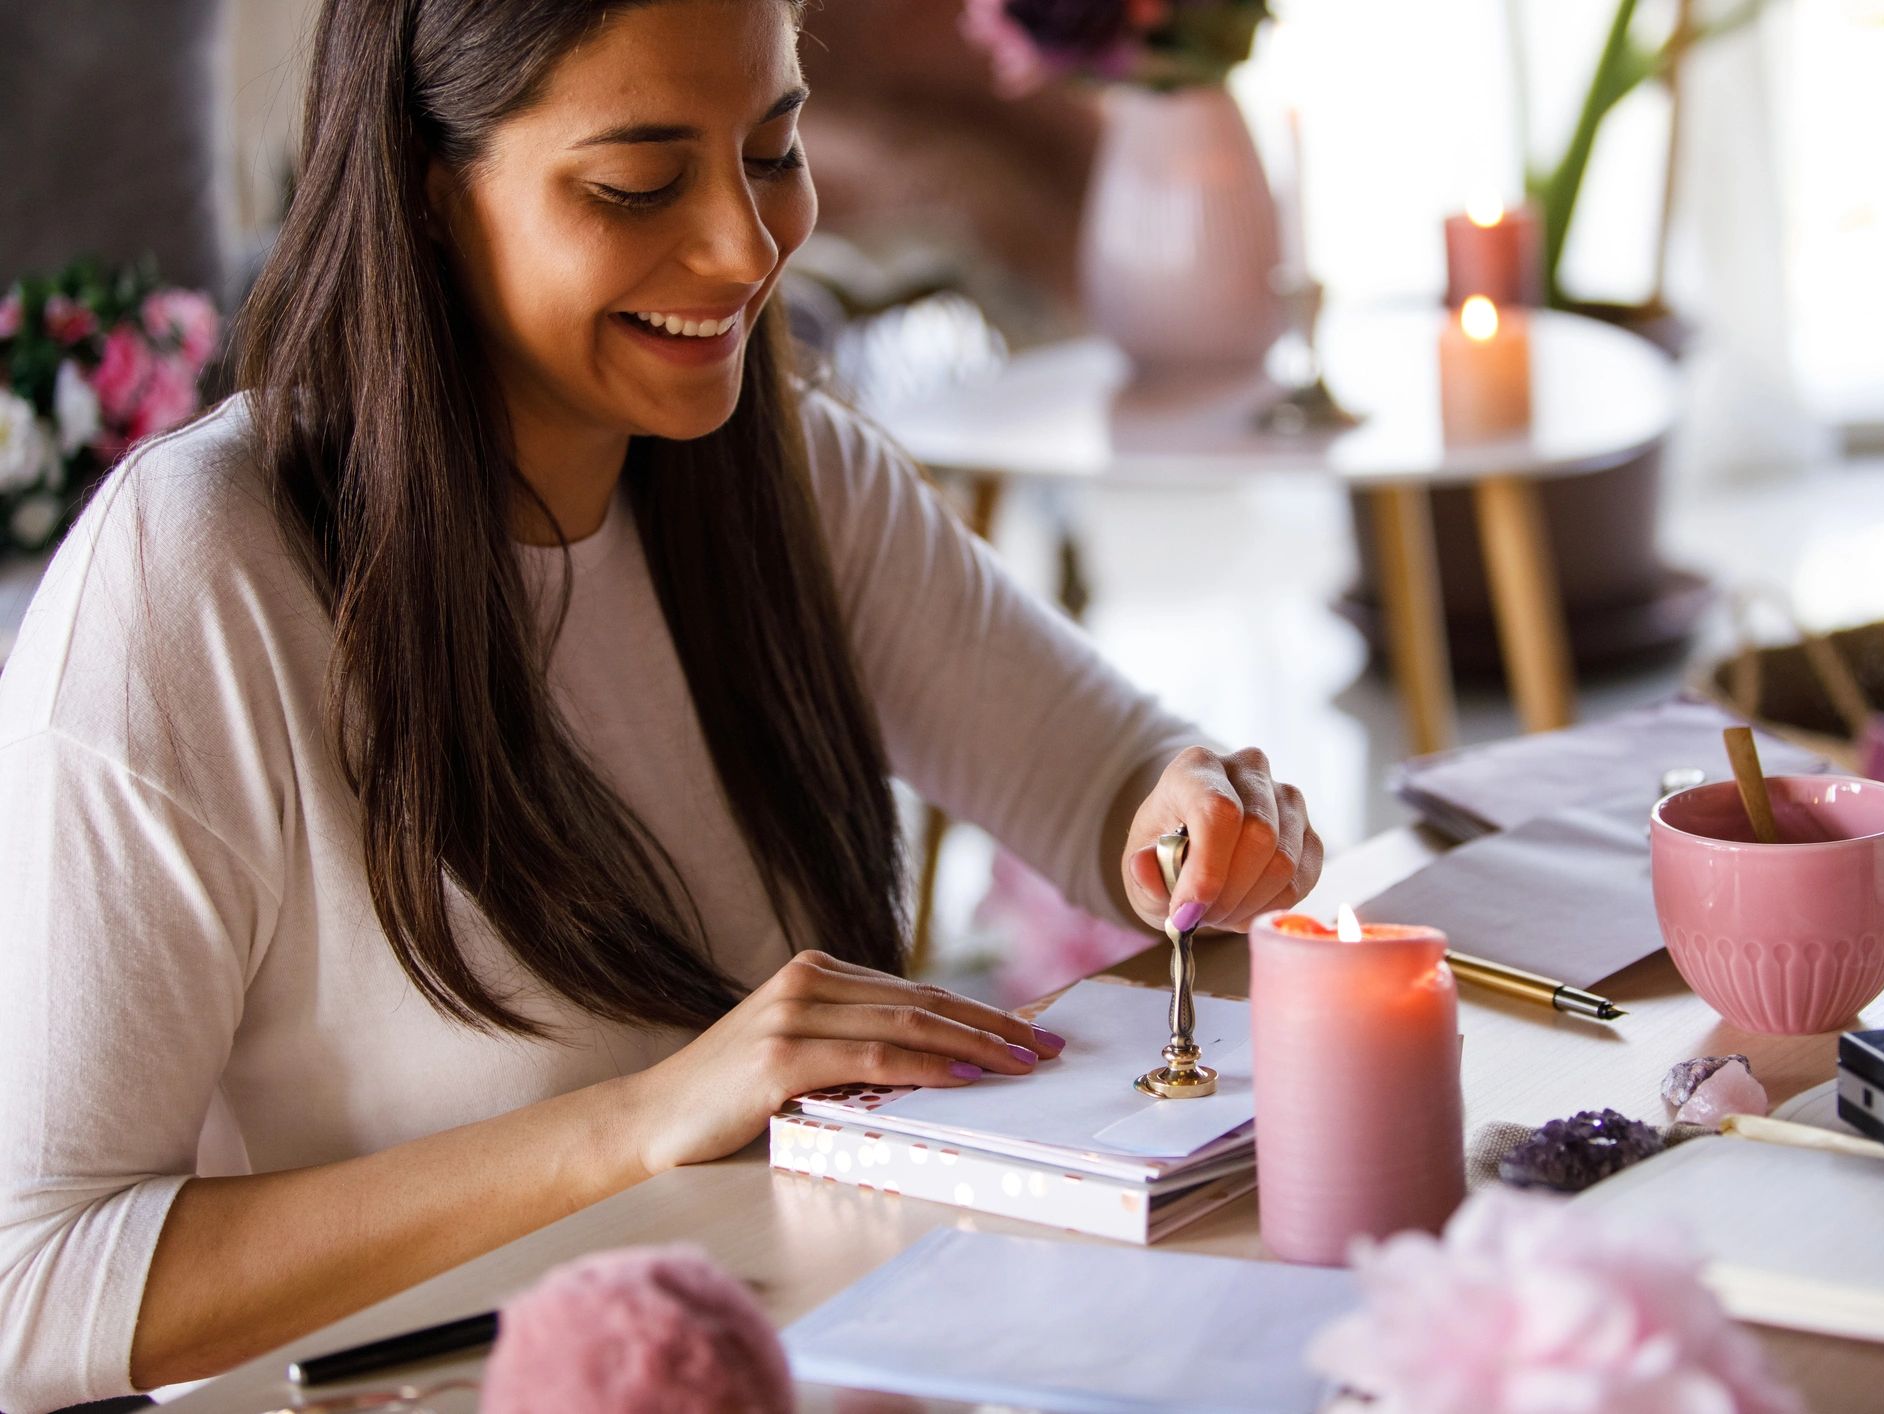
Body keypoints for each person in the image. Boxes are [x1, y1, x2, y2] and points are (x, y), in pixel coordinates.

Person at [0, 2, 1323, 1407]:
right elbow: (30, 1283)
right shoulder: (196, 571)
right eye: (636, 185)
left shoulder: (789, 474)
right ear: (425, 187)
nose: (744, 252)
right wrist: (636, 1123)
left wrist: (1189, 808)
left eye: (773, 151)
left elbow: (1106, 773)